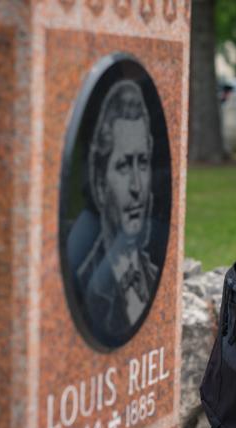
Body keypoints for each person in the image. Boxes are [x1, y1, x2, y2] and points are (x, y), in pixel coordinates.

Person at [75, 79, 160, 342]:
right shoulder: (87, 284)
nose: (137, 186)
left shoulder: (152, 274)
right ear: (100, 184)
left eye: (143, 163)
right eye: (123, 165)